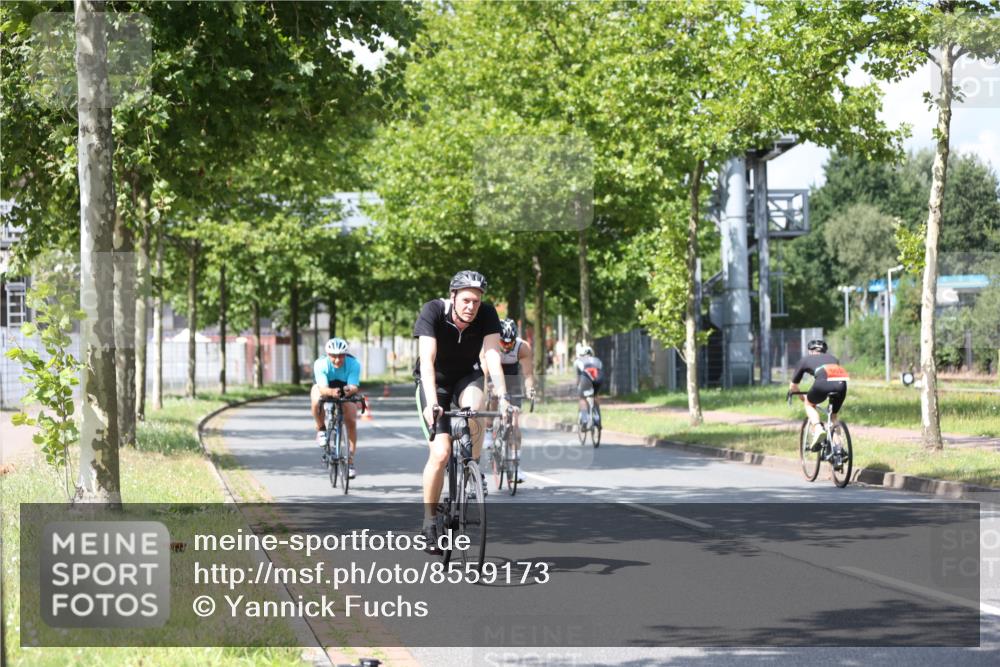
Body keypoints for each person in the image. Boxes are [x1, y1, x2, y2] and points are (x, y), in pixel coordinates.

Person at [414, 270, 511, 554]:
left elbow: (492, 356)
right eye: (466, 300)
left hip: (467, 377)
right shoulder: (433, 311)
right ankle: (429, 521)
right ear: (453, 296)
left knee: (474, 411)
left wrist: (504, 397)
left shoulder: (487, 314)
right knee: (441, 453)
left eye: (476, 301)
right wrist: (433, 403)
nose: (471, 306)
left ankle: (472, 467)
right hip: (435, 383)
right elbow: (427, 361)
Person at [481, 318, 535, 483]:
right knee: (493, 396)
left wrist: (529, 389)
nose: (506, 346)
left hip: (512, 379)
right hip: (492, 376)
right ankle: (489, 430)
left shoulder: (522, 347)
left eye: (510, 343)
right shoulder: (489, 345)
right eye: (503, 343)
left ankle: (516, 463)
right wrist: (485, 391)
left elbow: (528, 374)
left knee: (514, 421)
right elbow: (484, 373)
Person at [311, 337, 362, 479]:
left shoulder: (354, 364)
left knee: (351, 420)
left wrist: (348, 390)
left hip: (344, 387)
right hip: (325, 386)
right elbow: (322, 388)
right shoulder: (320, 364)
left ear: (346, 354)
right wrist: (332, 392)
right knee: (316, 401)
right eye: (333, 356)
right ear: (328, 354)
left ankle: (350, 462)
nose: (337, 359)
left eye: (341, 356)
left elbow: (354, 386)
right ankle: (321, 429)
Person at [788, 339, 849, 451]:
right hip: (842, 385)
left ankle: (818, 428)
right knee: (833, 416)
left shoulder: (805, 359)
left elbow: (793, 386)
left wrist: (803, 398)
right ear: (824, 351)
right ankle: (839, 449)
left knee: (809, 404)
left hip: (822, 384)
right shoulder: (833, 358)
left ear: (810, 351)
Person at [574, 343, 604, 428]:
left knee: (582, 398)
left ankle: (584, 419)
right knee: (595, 395)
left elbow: (578, 378)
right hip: (598, 379)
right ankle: (597, 417)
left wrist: (578, 387)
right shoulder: (597, 360)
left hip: (586, 379)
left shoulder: (578, 361)